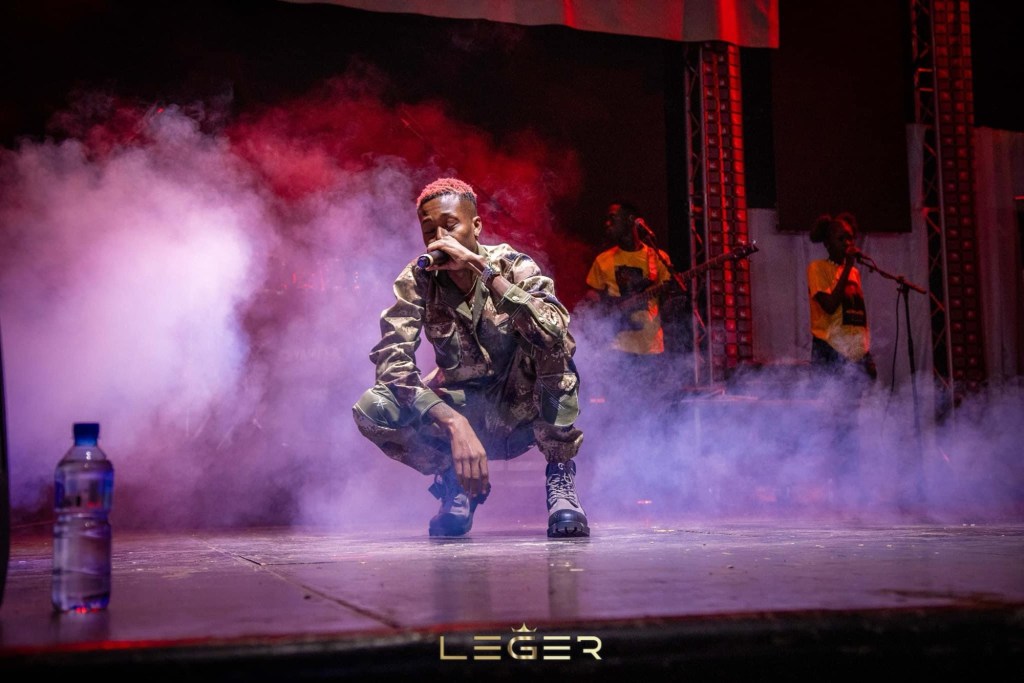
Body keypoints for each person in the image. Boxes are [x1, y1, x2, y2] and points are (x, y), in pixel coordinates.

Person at [352, 177, 589, 538]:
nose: (439, 239)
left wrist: (483, 271)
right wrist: (452, 422)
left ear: (476, 226)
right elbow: (391, 362)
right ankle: (454, 480)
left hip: (524, 408)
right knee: (374, 407)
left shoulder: (513, 266)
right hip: (465, 409)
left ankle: (560, 473)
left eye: (450, 226)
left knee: (553, 342)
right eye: (429, 231)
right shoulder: (418, 279)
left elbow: (554, 327)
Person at [806, 212, 877, 497]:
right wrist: (847, 268)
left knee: (851, 422)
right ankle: (836, 485)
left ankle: (851, 484)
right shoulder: (818, 268)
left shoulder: (855, 273)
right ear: (826, 242)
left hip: (853, 355)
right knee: (834, 422)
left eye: (850, 238)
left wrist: (866, 353)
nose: (848, 243)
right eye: (841, 238)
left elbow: (857, 317)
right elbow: (830, 305)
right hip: (830, 351)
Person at [581, 201, 679, 401]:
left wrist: (674, 301)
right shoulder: (603, 260)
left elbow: (669, 300)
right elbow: (591, 299)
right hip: (617, 347)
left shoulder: (657, 258)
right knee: (619, 406)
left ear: (630, 220)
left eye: (612, 219)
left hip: (651, 346)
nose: (607, 224)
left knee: (651, 405)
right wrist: (604, 313)